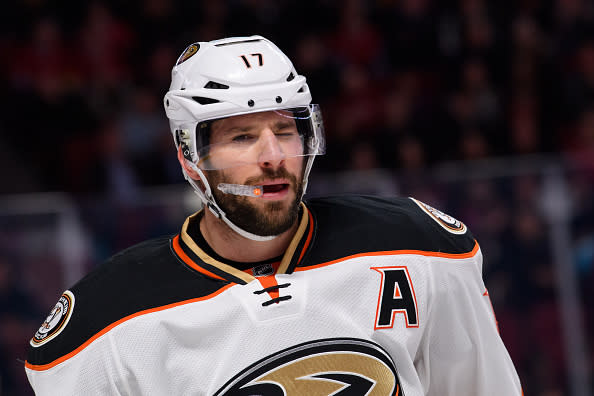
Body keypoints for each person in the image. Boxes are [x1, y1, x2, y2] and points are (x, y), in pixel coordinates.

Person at [24, 35, 522, 395]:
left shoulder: (417, 248)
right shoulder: (108, 320)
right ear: (188, 154)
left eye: (285, 131)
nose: (273, 156)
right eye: (243, 137)